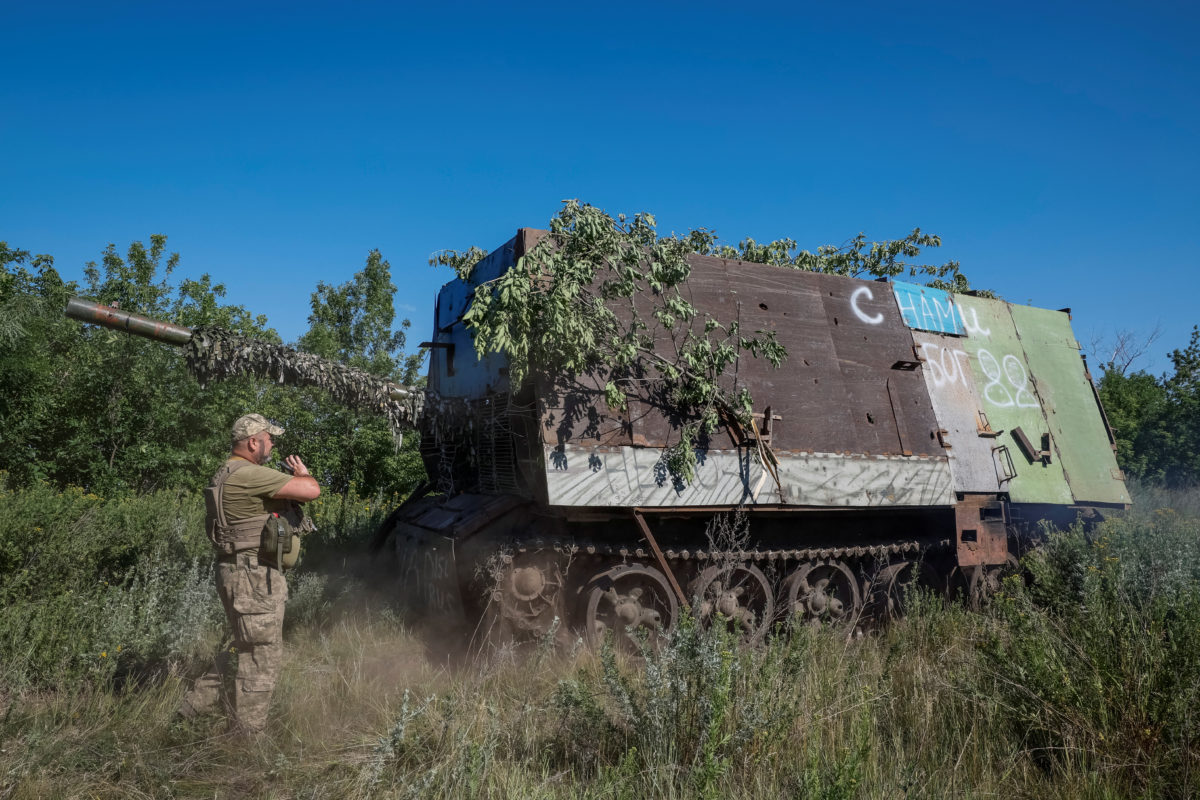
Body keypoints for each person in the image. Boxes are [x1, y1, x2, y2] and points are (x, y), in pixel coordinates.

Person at [179, 413, 320, 732]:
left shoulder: (227, 472)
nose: (272, 443)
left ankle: (191, 711)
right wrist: (303, 474)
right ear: (252, 442)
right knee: (261, 656)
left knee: (243, 644)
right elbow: (310, 490)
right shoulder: (250, 474)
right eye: (269, 438)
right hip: (254, 576)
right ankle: (247, 739)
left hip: (236, 571)